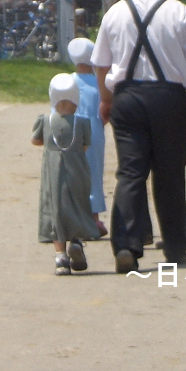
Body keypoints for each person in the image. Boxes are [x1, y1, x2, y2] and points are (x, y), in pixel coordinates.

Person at [91, 0, 186, 273]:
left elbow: (101, 64)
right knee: (170, 175)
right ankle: (175, 247)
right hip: (170, 98)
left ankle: (127, 246)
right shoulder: (180, 13)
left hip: (128, 98)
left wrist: (106, 100)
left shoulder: (116, 12)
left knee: (130, 172)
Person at [32, 73, 103, 275]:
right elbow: (85, 145)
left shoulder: (45, 120)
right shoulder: (82, 122)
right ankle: (77, 243)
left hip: (53, 172)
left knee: (55, 208)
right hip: (77, 169)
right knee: (78, 204)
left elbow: (36, 141)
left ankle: (60, 256)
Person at [67, 37, 108, 236]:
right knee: (94, 172)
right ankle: (93, 218)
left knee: (73, 172)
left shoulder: (67, 82)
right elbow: (105, 110)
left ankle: (74, 217)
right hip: (94, 130)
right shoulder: (100, 83)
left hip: (71, 130)